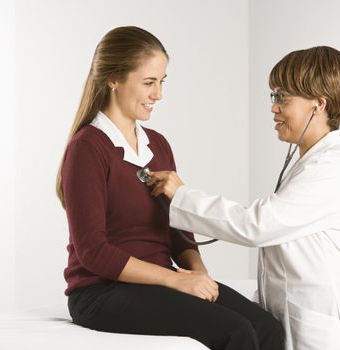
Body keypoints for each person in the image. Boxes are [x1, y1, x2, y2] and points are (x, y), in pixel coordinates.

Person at [55, 26, 284, 350]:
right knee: (235, 333)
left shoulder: (157, 145)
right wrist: (177, 279)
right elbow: (93, 252)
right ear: (114, 79)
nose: (158, 94)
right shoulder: (88, 148)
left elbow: (176, 229)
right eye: (149, 82)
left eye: (161, 82)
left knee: (267, 328)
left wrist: (199, 275)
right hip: (100, 292)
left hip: (158, 282)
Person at [148, 46, 340, 350]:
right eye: (274, 96)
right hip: (298, 316)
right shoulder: (308, 163)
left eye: (284, 98)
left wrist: (182, 195)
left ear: (318, 105)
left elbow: (258, 224)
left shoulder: (331, 168)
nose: (274, 107)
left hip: (324, 327)